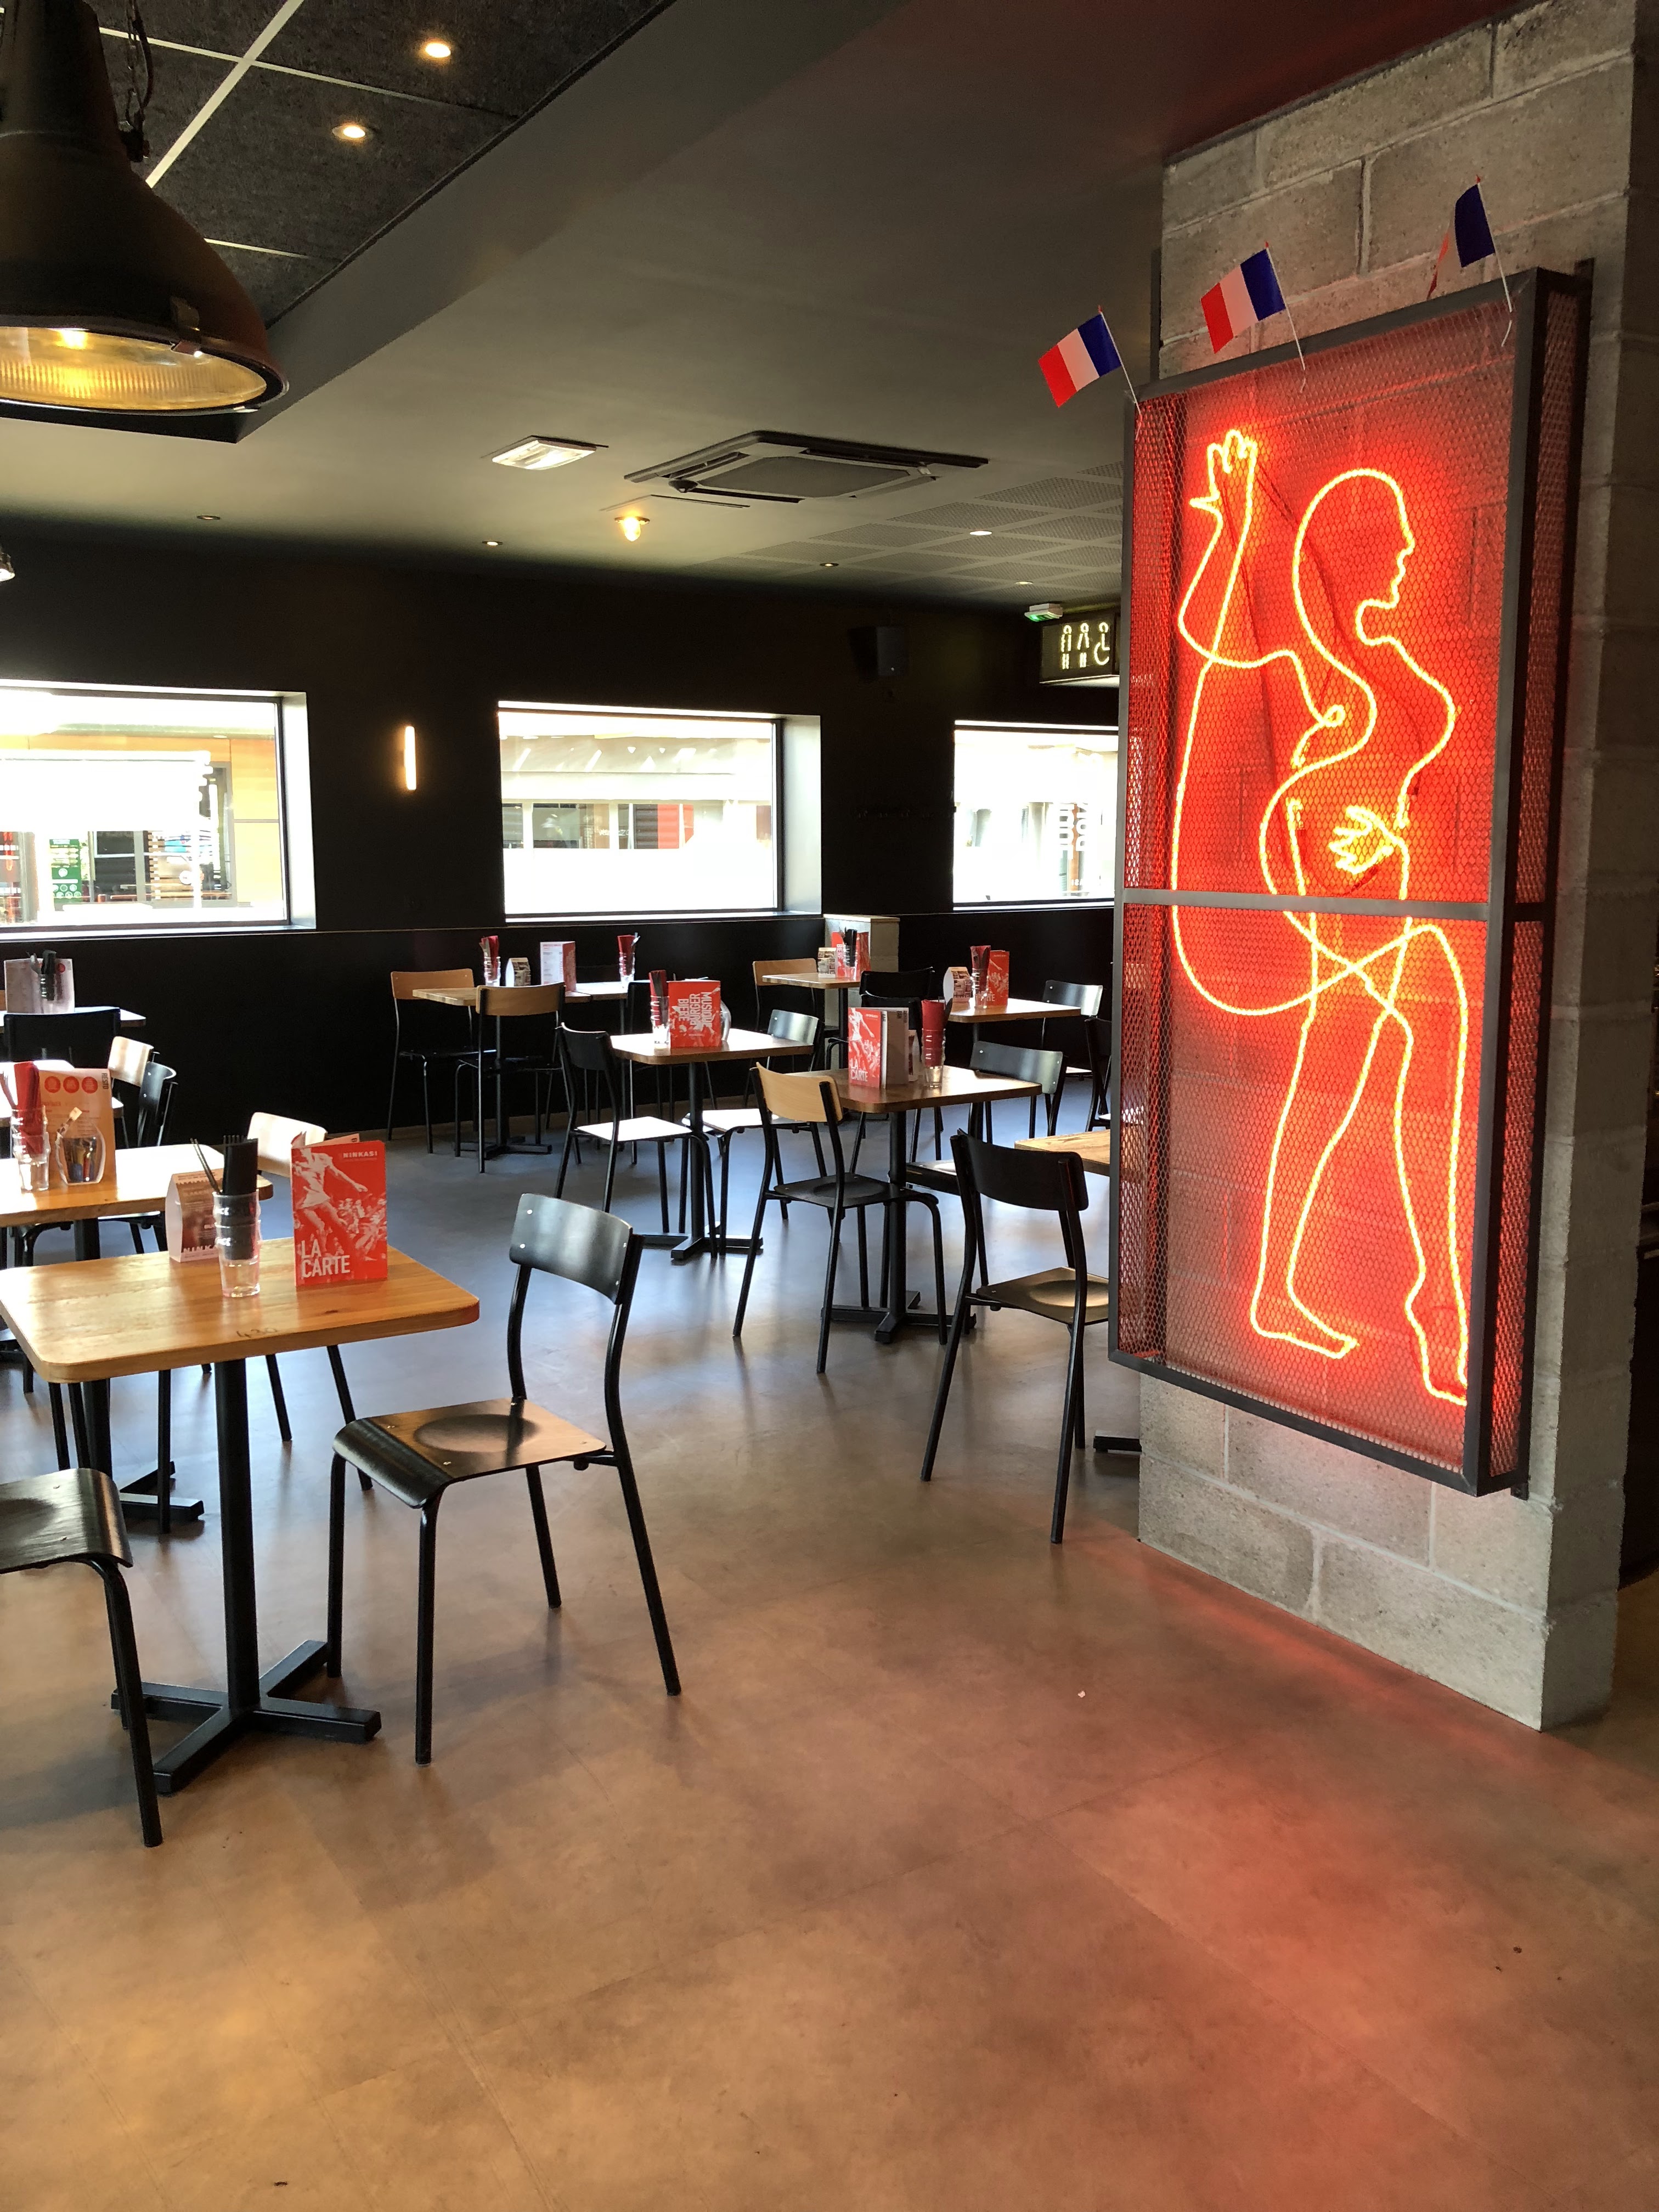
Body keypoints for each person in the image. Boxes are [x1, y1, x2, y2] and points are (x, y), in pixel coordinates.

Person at [1171, 427, 1471, 1407]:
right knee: (1398, 1049)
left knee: (1346, 1071)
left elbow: (1411, 785)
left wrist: (1391, 821)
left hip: (1385, 889)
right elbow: (1221, 630)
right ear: (1355, 547)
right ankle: (1430, 1306)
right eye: (1394, 536)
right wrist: (1245, 522)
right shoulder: (1330, 657)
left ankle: (1303, 1289)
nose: (1411, 553)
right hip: (1348, 900)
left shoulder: (1386, 659)